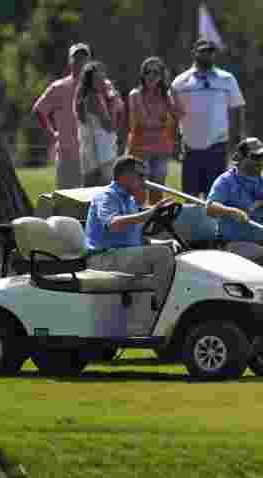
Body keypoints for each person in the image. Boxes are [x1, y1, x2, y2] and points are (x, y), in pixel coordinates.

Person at [84, 156, 177, 317]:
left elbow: (135, 238)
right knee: (161, 255)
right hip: (104, 258)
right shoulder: (107, 196)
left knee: (171, 248)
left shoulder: (130, 200)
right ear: (124, 176)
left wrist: (165, 242)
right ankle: (166, 312)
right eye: (140, 175)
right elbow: (113, 223)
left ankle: (161, 307)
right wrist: (149, 213)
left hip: (123, 256)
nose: (144, 180)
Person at [171, 38, 246, 199]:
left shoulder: (227, 79)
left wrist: (236, 141)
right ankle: (194, 225)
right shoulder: (180, 82)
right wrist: (175, 141)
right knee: (190, 197)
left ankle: (214, 226)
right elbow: (173, 115)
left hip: (217, 146)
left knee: (216, 197)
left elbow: (236, 109)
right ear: (194, 53)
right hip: (190, 147)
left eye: (210, 52)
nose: (207, 55)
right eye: (203, 51)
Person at [205, 137, 263, 266]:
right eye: (256, 157)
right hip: (232, 244)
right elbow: (210, 208)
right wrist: (232, 212)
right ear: (240, 158)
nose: (261, 161)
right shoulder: (226, 181)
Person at [32, 43, 91, 190]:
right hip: (67, 155)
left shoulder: (98, 86)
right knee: (66, 200)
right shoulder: (59, 87)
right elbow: (39, 110)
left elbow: (117, 109)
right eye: (76, 58)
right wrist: (52, 133)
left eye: (84, 58)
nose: (80, 62)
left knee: (92, 203)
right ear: (70, 62)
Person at [127, 56, 185, 204]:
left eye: (156, 73)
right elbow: (144, 122)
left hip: (162, 149)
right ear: (142, 74)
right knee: (139, 189)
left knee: (157, 190)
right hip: (140, 149)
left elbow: (180, 113)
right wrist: (164, 121)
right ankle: (137, 221)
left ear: (162, 76)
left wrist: (171, 87)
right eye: (148, 72)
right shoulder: (135, 95)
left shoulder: (166, 96)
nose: (151, 76)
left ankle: (154, 220)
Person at [73, 61, 120, 187]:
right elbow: (109, 126)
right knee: (104, 192)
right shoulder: (93, 98)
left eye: (102, 78)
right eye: (97, 79)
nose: (102, 82)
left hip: (90, 152)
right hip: (102, 153)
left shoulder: (84, 95)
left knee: (89, 191)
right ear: (90, 81)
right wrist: (114, 106)